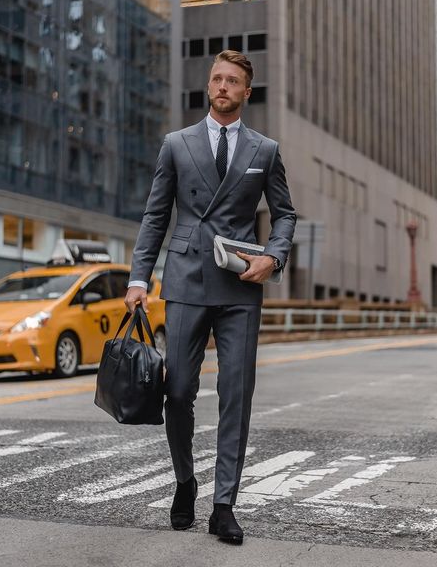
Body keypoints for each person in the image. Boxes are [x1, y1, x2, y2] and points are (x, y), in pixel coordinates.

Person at [125, 50, 296, 544]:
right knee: (176, 393)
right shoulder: (176, 145)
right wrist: (140, 278)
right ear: (209, 85)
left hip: (240, 284)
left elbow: (284, 213)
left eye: (233, 81)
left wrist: (274, 256)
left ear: (246, 91)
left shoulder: (264, 150)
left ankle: (224, 505)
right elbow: (156, 215)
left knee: (235, 396)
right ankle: (185, 481)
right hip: (183, 279)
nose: (223, 86)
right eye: (217, 78)